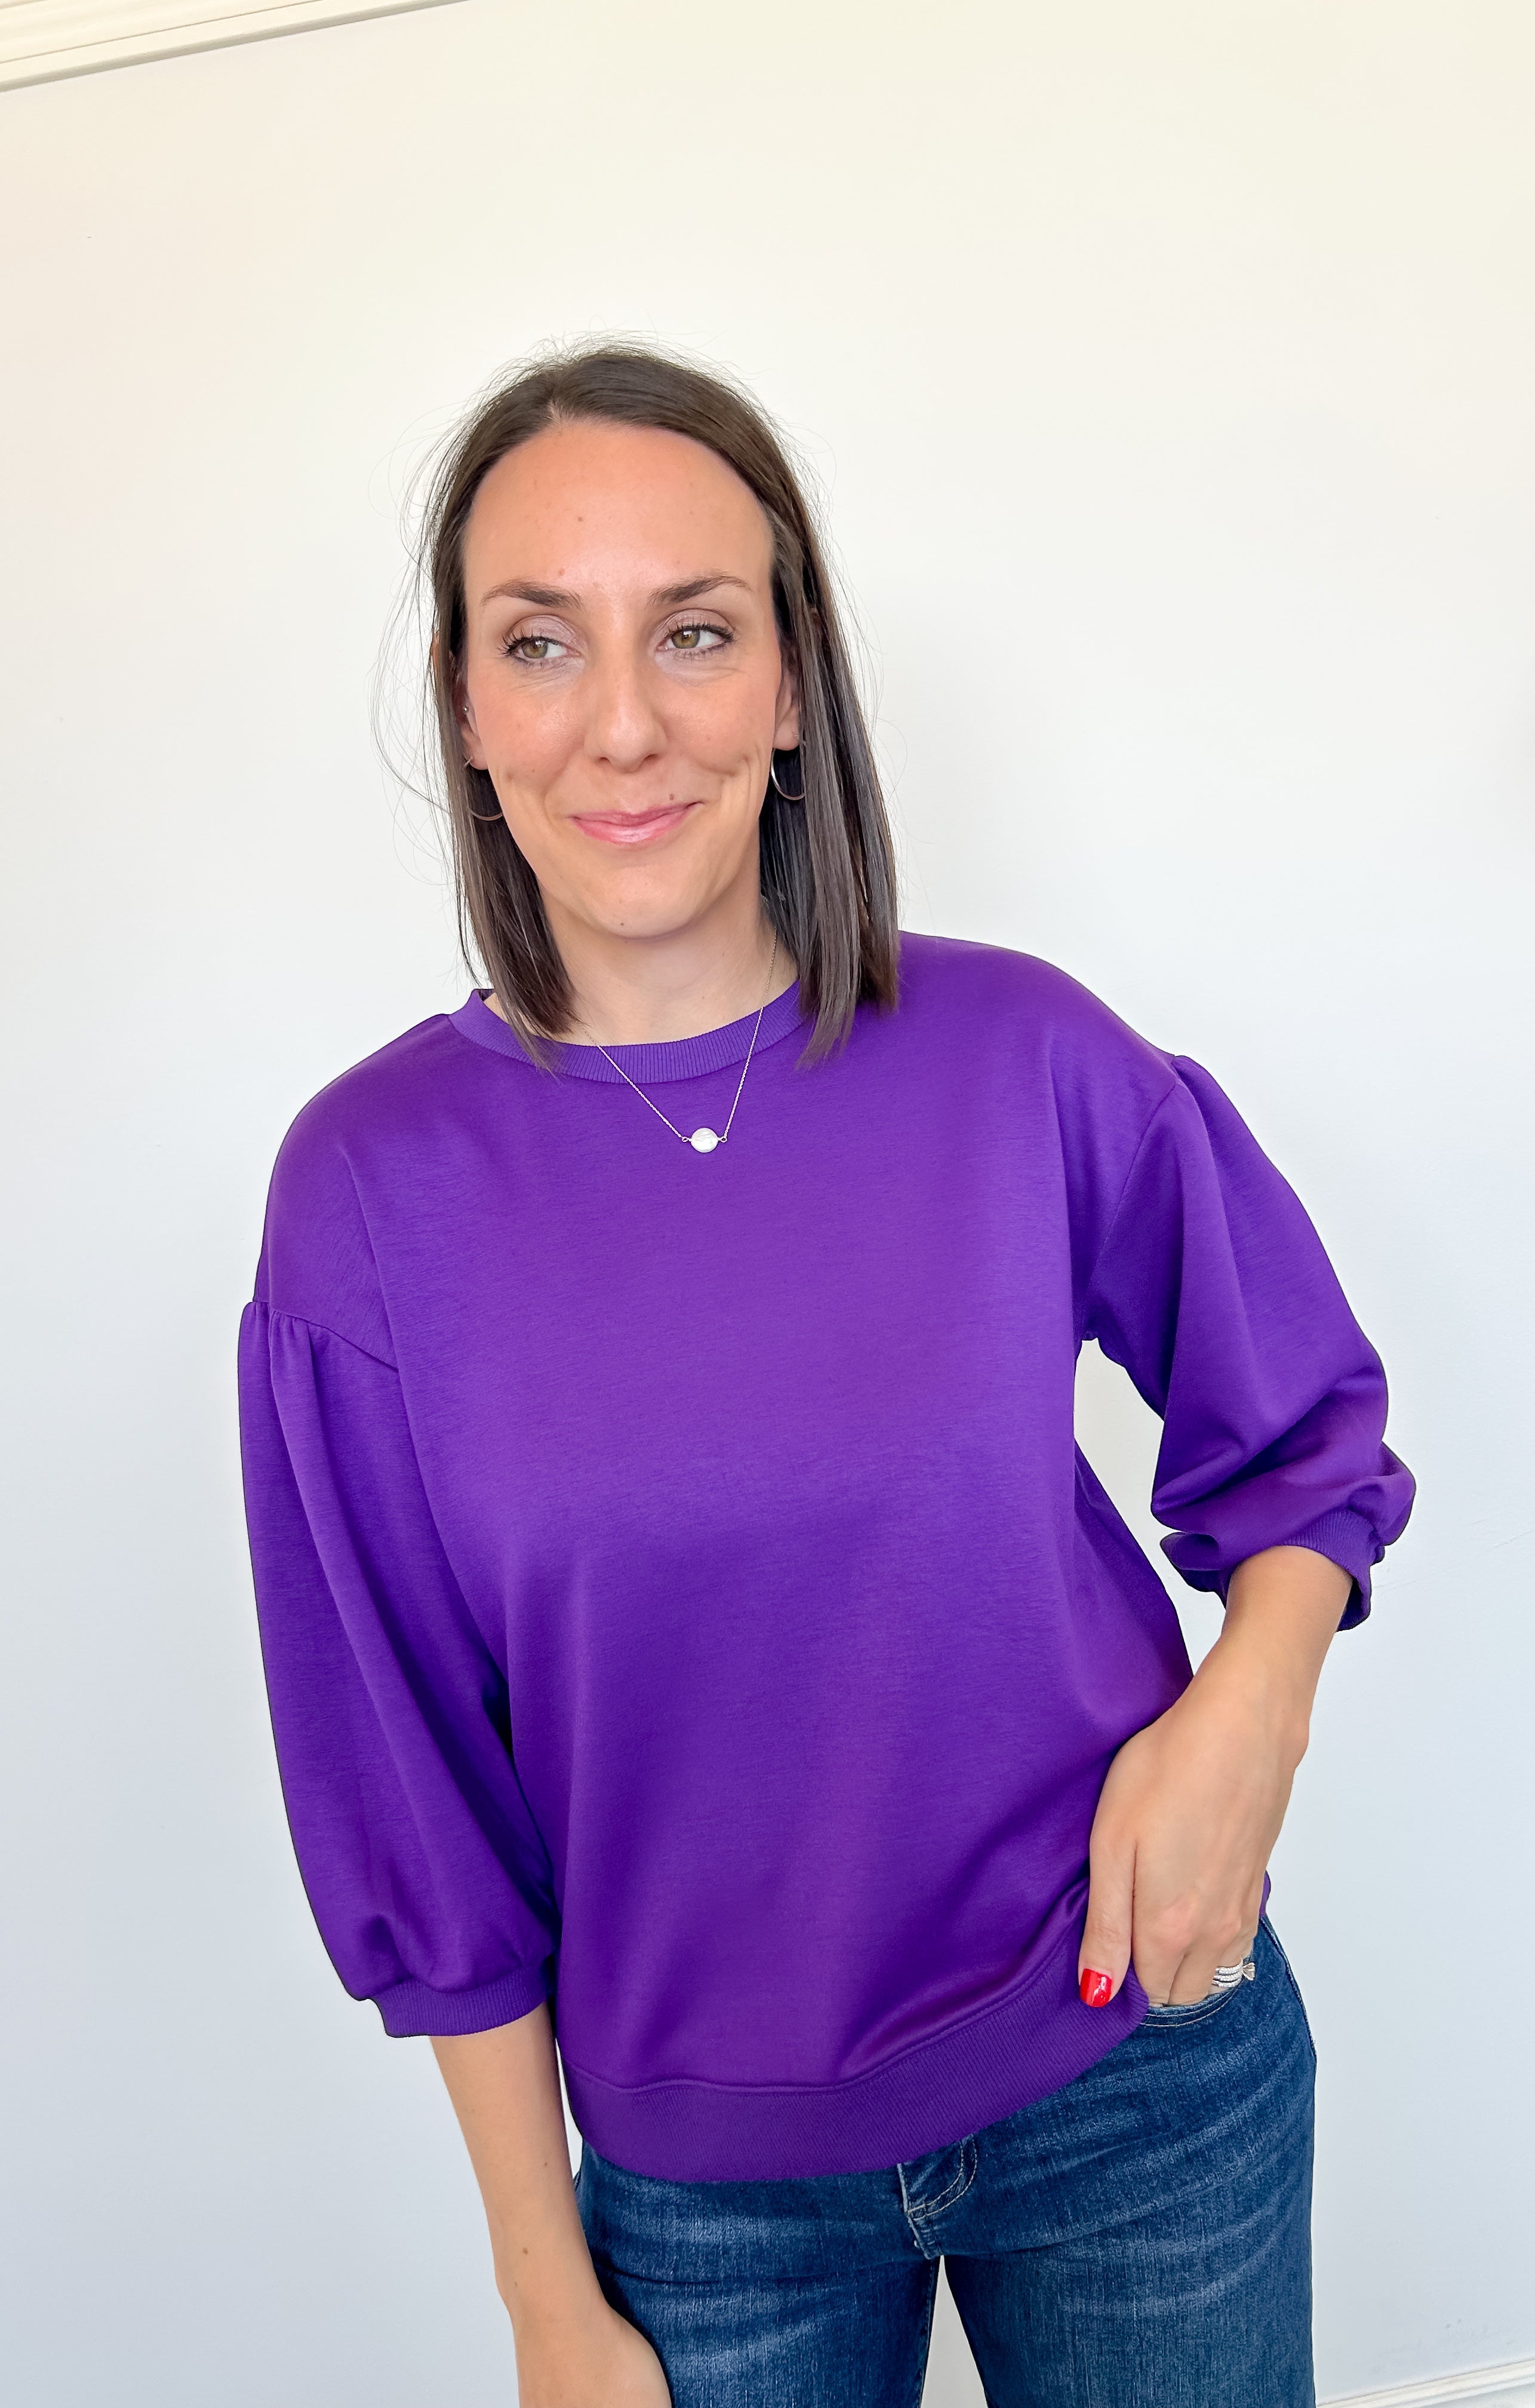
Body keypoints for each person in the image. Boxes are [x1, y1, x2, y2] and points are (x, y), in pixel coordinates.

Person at [238, 342, 1414, 2408]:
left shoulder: (1023, 1056)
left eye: (695, 633)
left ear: (791, 684)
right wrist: (543, 2291)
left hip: (1142, 2069)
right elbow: (408, 1796)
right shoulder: (366, 1197)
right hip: (703, 2204)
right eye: (542, 643)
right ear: (465, 705)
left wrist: (1253, 1713)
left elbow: (1301, 1427)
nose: (624, 722)